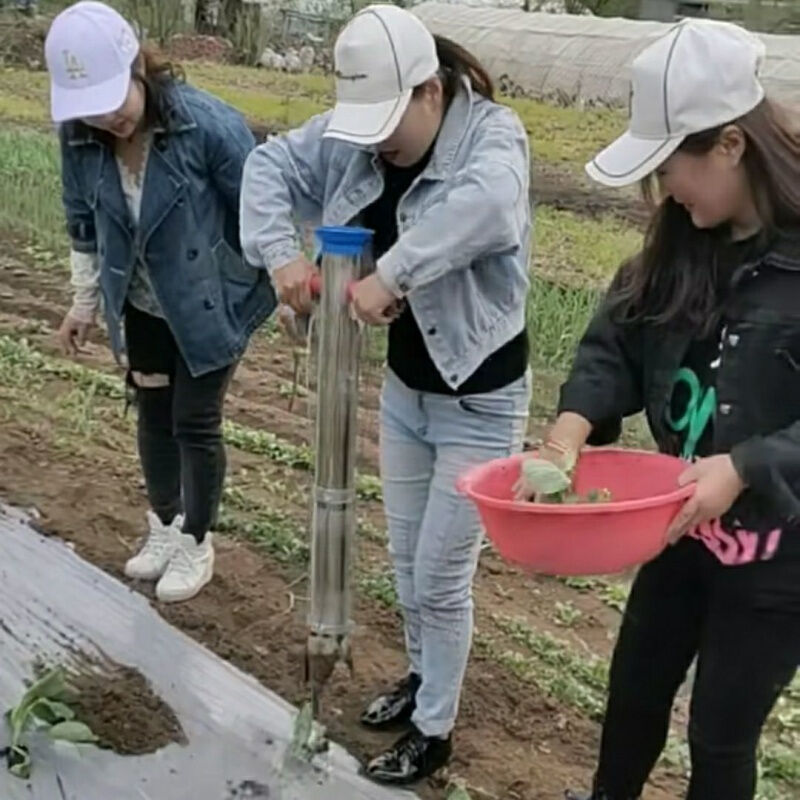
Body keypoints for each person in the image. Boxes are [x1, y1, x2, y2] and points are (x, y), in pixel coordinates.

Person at [241, 4, 531, 785]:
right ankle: (419, 679)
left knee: (440, 576)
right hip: (408, 388)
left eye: (389, 121)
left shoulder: (493, 136)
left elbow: (489, 209)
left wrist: (392, 276)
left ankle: (435, 729)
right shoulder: (358, 132)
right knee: (407, 566)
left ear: (431, 92)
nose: (375, 141)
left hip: (480, 397)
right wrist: (279, 261)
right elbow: (268, 167)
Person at [522, 19, 800, 800]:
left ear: (731, 147)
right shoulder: (682, 244)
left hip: (779, 555)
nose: (664, 192)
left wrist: (746, 466)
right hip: (677, 526)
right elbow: (614, 343)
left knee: (720, 734)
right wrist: (571, 428)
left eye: (672, 167)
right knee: (634, 696)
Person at [45, 2, 272, 603]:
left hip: (208, 298)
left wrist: (283, 283)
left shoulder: (207, 126)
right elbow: (82, 223)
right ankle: (167, 524)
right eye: (90, 105)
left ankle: (198, 541)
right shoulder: (80, 137)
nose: (107, 116)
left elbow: (260, 207)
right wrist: (83, 303)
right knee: (152, 411)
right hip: (140, 299)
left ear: (137, 67)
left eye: (114, 96)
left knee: (194, 421)